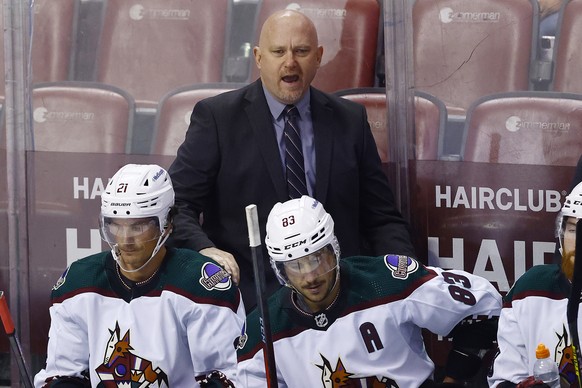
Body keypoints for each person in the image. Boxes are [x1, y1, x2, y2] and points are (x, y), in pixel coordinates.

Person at [168, 9, 416, 310]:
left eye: (301, 51)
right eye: (278, 52)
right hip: (253, 302)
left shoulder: (349, 120)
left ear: (318, 56)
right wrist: (205, 251)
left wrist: (403, 276)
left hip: (344, 301)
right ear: (259, 58)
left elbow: (382, 219)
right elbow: (177, 205)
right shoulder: (218, 119)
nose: (290, 62)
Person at [236, 195, 502, 387]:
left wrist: (453, 379)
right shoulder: (263, 328)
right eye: (295, 266)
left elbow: (484, 305)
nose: (310, 277)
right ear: (279, 270)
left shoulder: (387, 281)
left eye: (318, 259)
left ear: (334, 250)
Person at [34, 164, 245, 387]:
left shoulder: (200, 285)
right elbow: (64, 375)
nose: (125, 240)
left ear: (167, 224)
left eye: (138, 227)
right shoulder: (78, 283)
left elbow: (227, 377)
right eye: (116, 226)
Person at [488, 182, 582, 387]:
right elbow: (504, 378)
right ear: (562, 233)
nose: (578, 242)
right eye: (574, 230)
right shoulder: (532, 288)